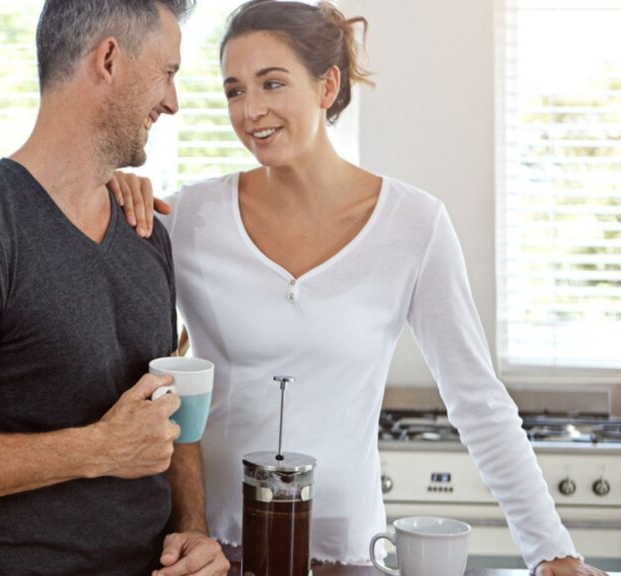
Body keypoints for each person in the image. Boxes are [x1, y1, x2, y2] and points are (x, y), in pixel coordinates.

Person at [108, 1, 608, 574]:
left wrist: (551, 550)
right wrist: (108, 187)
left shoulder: (413, 225)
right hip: (215, 554)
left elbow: (478, 401)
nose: (251, 110)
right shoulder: (190, 217)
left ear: (327, 86)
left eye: (273, 83)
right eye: (234, 91)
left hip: (351, 555)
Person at [0, 1, 230, 575]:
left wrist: (192, 530)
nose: (173, 102)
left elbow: (168, 413)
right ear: (109, 59)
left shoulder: (144, 230)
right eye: (167, 72)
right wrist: (97, 449)